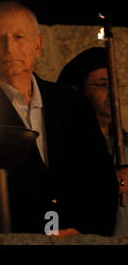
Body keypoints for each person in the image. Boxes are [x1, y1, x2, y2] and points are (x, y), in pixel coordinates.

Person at [0, 2, 119, 235]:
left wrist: (85, 234)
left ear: (38, 45)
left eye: (19, 37)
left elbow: (102, 182)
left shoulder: (72, 103)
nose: (9, 48)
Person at [57, 47, 128, 235]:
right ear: (77, 91)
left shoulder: (125, 142)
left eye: (116, 85)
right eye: (103, 85)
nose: (113, 93)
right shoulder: (64, 145)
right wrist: (107, 185)